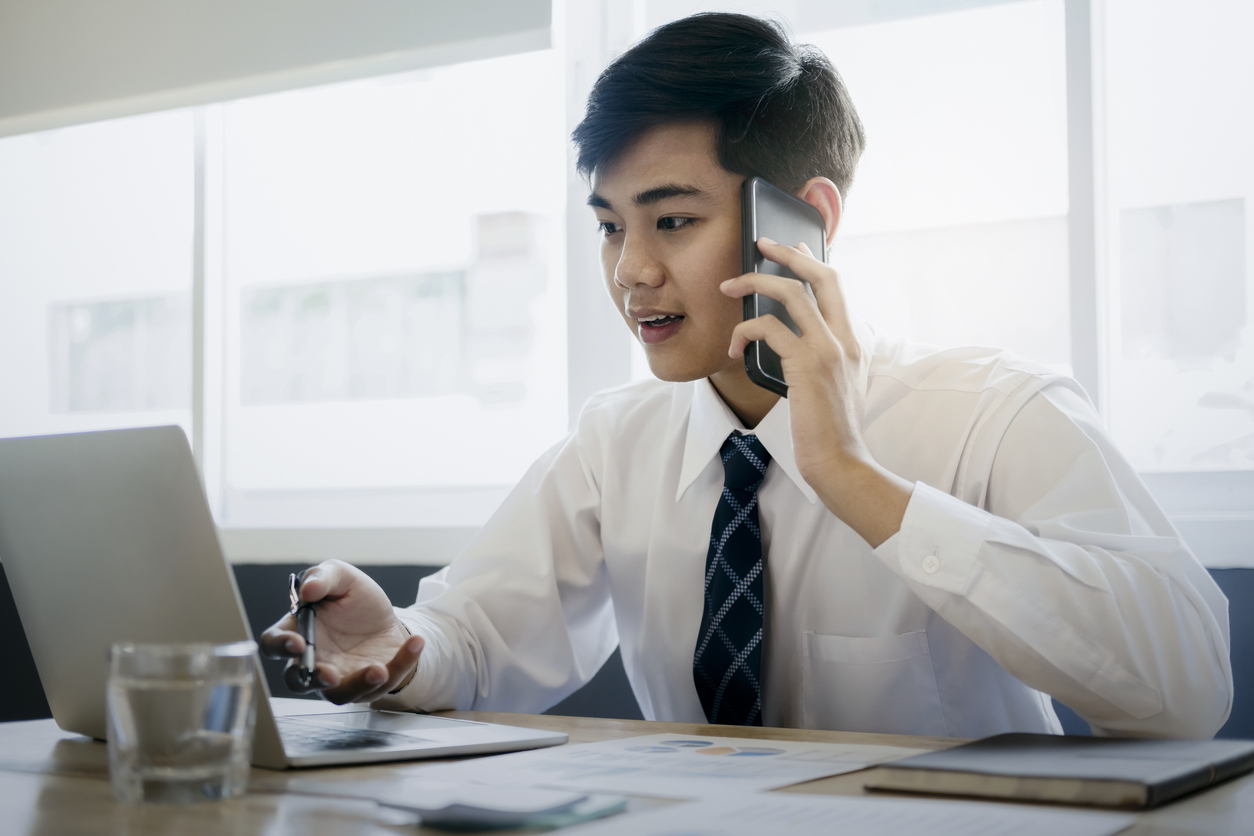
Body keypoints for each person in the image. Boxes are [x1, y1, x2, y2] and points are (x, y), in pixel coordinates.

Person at [261, 13, 1231, 738]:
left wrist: (855, 477)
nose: (631, 269)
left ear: (802, 219)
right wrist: (396, 645)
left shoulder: (993, 409)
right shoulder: (617, 442)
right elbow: (477, 641)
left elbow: (1190, 688)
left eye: (672, 220)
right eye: (609, 225)